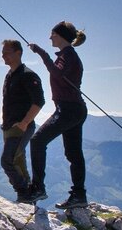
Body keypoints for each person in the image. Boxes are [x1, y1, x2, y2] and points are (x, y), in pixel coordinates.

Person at [22, 21, 88, 208]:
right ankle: (79, 195)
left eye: (52, 34)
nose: (50, 37)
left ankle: (38, 188)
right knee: (74, 153)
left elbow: (57, 74)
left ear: (60, 36)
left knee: (37, 141)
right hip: (74, 109)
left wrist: (41, 53)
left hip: (68, 110)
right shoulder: (68, 55)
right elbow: (59, 72)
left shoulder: (69, 56)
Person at [0, 39, 45, 203]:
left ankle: (26, 192)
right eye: (3, 52)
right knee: (17, 161)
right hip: (10, 126)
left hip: (21, 126)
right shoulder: (10, 76)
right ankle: (26, 196)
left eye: (6, 52)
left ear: (18, 53)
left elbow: (39, 101)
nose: (3, 55)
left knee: (7, 160)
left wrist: (25, 123)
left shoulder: (27, 75)